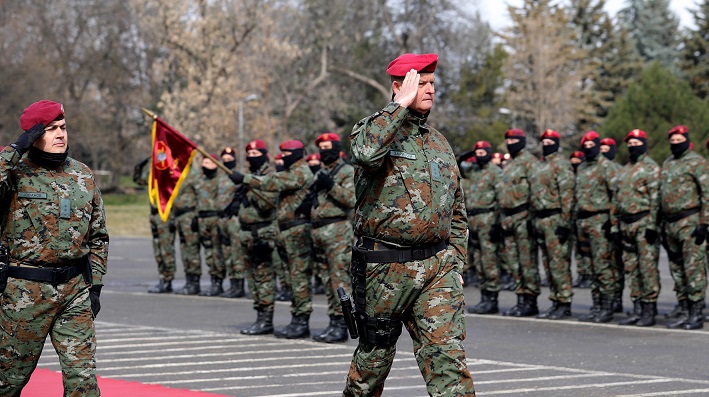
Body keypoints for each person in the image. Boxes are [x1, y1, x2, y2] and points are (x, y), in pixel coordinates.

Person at [346, 53, 475, 396]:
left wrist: (456, 259)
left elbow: (457, 209)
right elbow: (364, 153)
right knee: (373, 363)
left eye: (433, 83)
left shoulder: (438, 142)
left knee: (447, 358)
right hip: (385, 268)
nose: (431, 90)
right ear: (399, 87)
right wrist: (398, 105)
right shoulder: (373, 130)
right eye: (423, 83)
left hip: (437, 268)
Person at [0, 100, 109, 396]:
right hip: (24, 292)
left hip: (74, 291)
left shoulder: (83, 175)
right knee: (8, 381)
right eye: (50, 129)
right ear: (33, 135)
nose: (61, 134)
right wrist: (15, 149)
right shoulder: (15, 172)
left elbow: (98, 236)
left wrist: (95, 286)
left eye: (63, 127)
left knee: (82, 382)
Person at [230, 139, 314, 338]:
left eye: (286, 155)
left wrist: (245, 179)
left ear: (296, 154)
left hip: (297, 231)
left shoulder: (301, 173)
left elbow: (273, 182)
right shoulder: (291, 172)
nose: (283, 158)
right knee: (291, 279)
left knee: (298, 278)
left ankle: (301, 321)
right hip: (284, 232)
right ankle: (295, 320)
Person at [306, 132, 356, 344]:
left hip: (337, 231)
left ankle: (342, 324)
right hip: (319, 231)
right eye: (322, 147)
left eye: (329, 147)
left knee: (339, 279)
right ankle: (332, 321)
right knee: (327, 280)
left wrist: (331, 185)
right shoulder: (322, 172)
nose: (325, 151)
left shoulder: (346, 171)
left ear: (337, 148)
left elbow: (352, 199)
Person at [229, 139, 279, 335]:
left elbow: (268, 204)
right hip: (247, 234)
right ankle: (259, 316)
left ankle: (266, 320)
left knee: (264, 278)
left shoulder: (269, 178)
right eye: (249, 155)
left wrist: (248, 187)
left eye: (256, 155)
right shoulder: (250, 177)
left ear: (264, 155)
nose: (251, 158)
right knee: (252, 279)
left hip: (263, 234)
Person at [660, 125, 708, 330]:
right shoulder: (668, 163)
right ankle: (684, 308)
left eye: (679, 140)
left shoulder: (697, 162)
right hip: (670, 223)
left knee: (693, 268)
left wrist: (705, 223)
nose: (675, 144)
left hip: (690, 221)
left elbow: (707, 193)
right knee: (677, 269)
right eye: (672, 141)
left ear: (687, 140)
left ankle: (696, 313)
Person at [614, 129, 661, 327]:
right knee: (631, 268)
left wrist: (652, 225)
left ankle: (649, 309)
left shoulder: (651, 168)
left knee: (647, 268)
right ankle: (637, 308)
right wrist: (616, 227)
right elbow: (617, 200)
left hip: (643, 223)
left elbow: (656, 199)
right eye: (630, 144)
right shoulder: (624, 170)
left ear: (644, 143)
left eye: (637, 143)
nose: (633, 147)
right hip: (626, 224)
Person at [530, 129, 575, 320]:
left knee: (559, 263)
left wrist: (565, 223)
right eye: (544, 142)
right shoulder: (540, 166)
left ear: (557, 143)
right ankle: (555, 300)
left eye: (550, 142)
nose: (546, 145)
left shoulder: (561, 165)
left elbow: (567, 196)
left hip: (556, 218)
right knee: (548, 264)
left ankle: (564, 302)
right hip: (541, 219)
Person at [575, 131, 618, 323]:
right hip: (584, 221)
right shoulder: (583, 167)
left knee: (602, 265)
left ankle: (607, 306)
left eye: (591, 145)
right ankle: (597, 304)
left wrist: (613, 222)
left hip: (601, 221)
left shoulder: (606, 166)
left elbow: (616, 195)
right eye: (585, 145)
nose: (588, 148)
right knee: (590, 266)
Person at [498, 128, 540, 317]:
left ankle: (530, 300)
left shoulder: (530, 163)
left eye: (515, 140)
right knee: (513, 262)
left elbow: (536, 192)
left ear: (522, 141)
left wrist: (533, 218)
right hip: (508, 219)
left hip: (524, 217)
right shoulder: (510, 164)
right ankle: (520, 298)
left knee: (526, 261)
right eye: (508, 140)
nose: (511, 143)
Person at [463, 141, 502, 315]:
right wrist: (467, 154)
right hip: (473, 220)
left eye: (482, 153)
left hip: (489, 219)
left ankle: (492, 299)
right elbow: (457, 164)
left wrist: (498, 223)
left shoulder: (495, 172)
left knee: (489, 260)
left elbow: (502, 198)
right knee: (478, 260)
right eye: (476, 153)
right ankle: (484, 297)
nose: (479, 156)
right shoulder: (473, 171)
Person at [195, 154, 231, 296]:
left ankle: (219, 281)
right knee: (209, 252)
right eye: (204, 162)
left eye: (209, 163)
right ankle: (213, 281)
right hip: (202, 219)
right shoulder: (199, 180)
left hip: (215, 217)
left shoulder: (221, 180)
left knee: (218, 252)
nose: (205, 166)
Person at [219, 147, 246, 298]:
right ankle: (232, 283)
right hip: (222, 219)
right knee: (227, 253)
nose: (227, 161)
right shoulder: (220, 177)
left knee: (237, 253)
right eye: (225, 159)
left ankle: (239, 285)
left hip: (234, 219)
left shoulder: (237, 176)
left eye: (230, 159)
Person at [172, 163, 203, 295]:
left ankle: (195, 282)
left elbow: (200, 195)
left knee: (192, 249)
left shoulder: (194, 175)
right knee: (184, 249)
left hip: (190, 216)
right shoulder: (176, 174)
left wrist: (198, 215)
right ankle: (189, 280)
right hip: (179, 216)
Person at [569, 151, 592, 289]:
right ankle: (582, 273)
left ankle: (588, 274)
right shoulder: (570, 175)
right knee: (578, 249)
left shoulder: (585, 175)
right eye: (573, 160)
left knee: (588, 249)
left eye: (578, 160)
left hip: (588, 216)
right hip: (574, 216)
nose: (575, 163)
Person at [147, 204, 177, 293]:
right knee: (158, 249)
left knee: (166, 249)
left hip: (165, 213)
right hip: (155, 213)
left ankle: (168, 280)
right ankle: (162, 278)